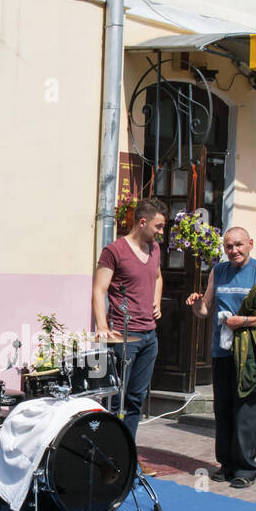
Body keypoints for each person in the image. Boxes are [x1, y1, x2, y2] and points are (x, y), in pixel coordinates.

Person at [186, 227, 256, 489]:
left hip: (250, 354)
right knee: (223, 409)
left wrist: (244, 321)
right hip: (222, 351)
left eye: (238, 245)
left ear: (250, 244)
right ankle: (226, 465)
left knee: (246, 411)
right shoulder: (218, 271)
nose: (233, 250)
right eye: (228, 246)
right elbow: (205, 309)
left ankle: (246, 469)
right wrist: (196, 305)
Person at [93, 197, 166, 474]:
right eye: (158, 226)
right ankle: (107, 458)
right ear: (142, 221)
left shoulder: (155, 249)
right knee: (116, 400)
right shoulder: (115, 251)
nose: (161, 231)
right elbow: (100, 289)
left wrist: (156, 301)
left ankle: (128, 457)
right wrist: (102, 325)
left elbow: (157, 277)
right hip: (124, 335)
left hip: (150, 336)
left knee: (135, 400)